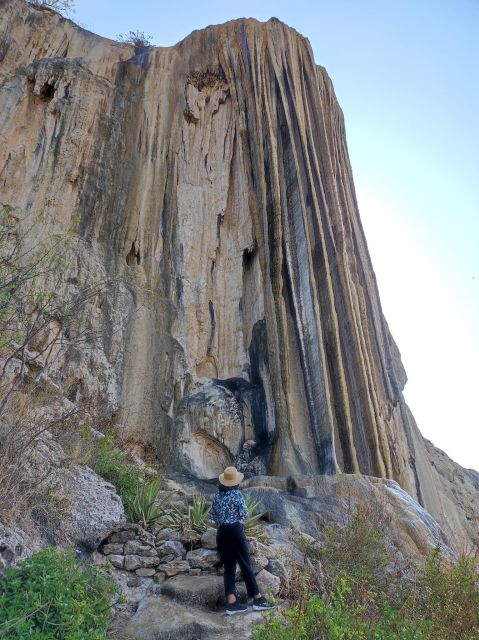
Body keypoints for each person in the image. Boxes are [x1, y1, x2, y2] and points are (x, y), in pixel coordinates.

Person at [211, 466, 276, 615]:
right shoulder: (237, 494)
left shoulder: (217, 496)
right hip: (235, 530)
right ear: (235, 482)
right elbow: (244, 514)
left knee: (229, 567)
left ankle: (231, 604)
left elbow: (214, 517)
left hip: (221, 533)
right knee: (245, 563)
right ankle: (258, 599)